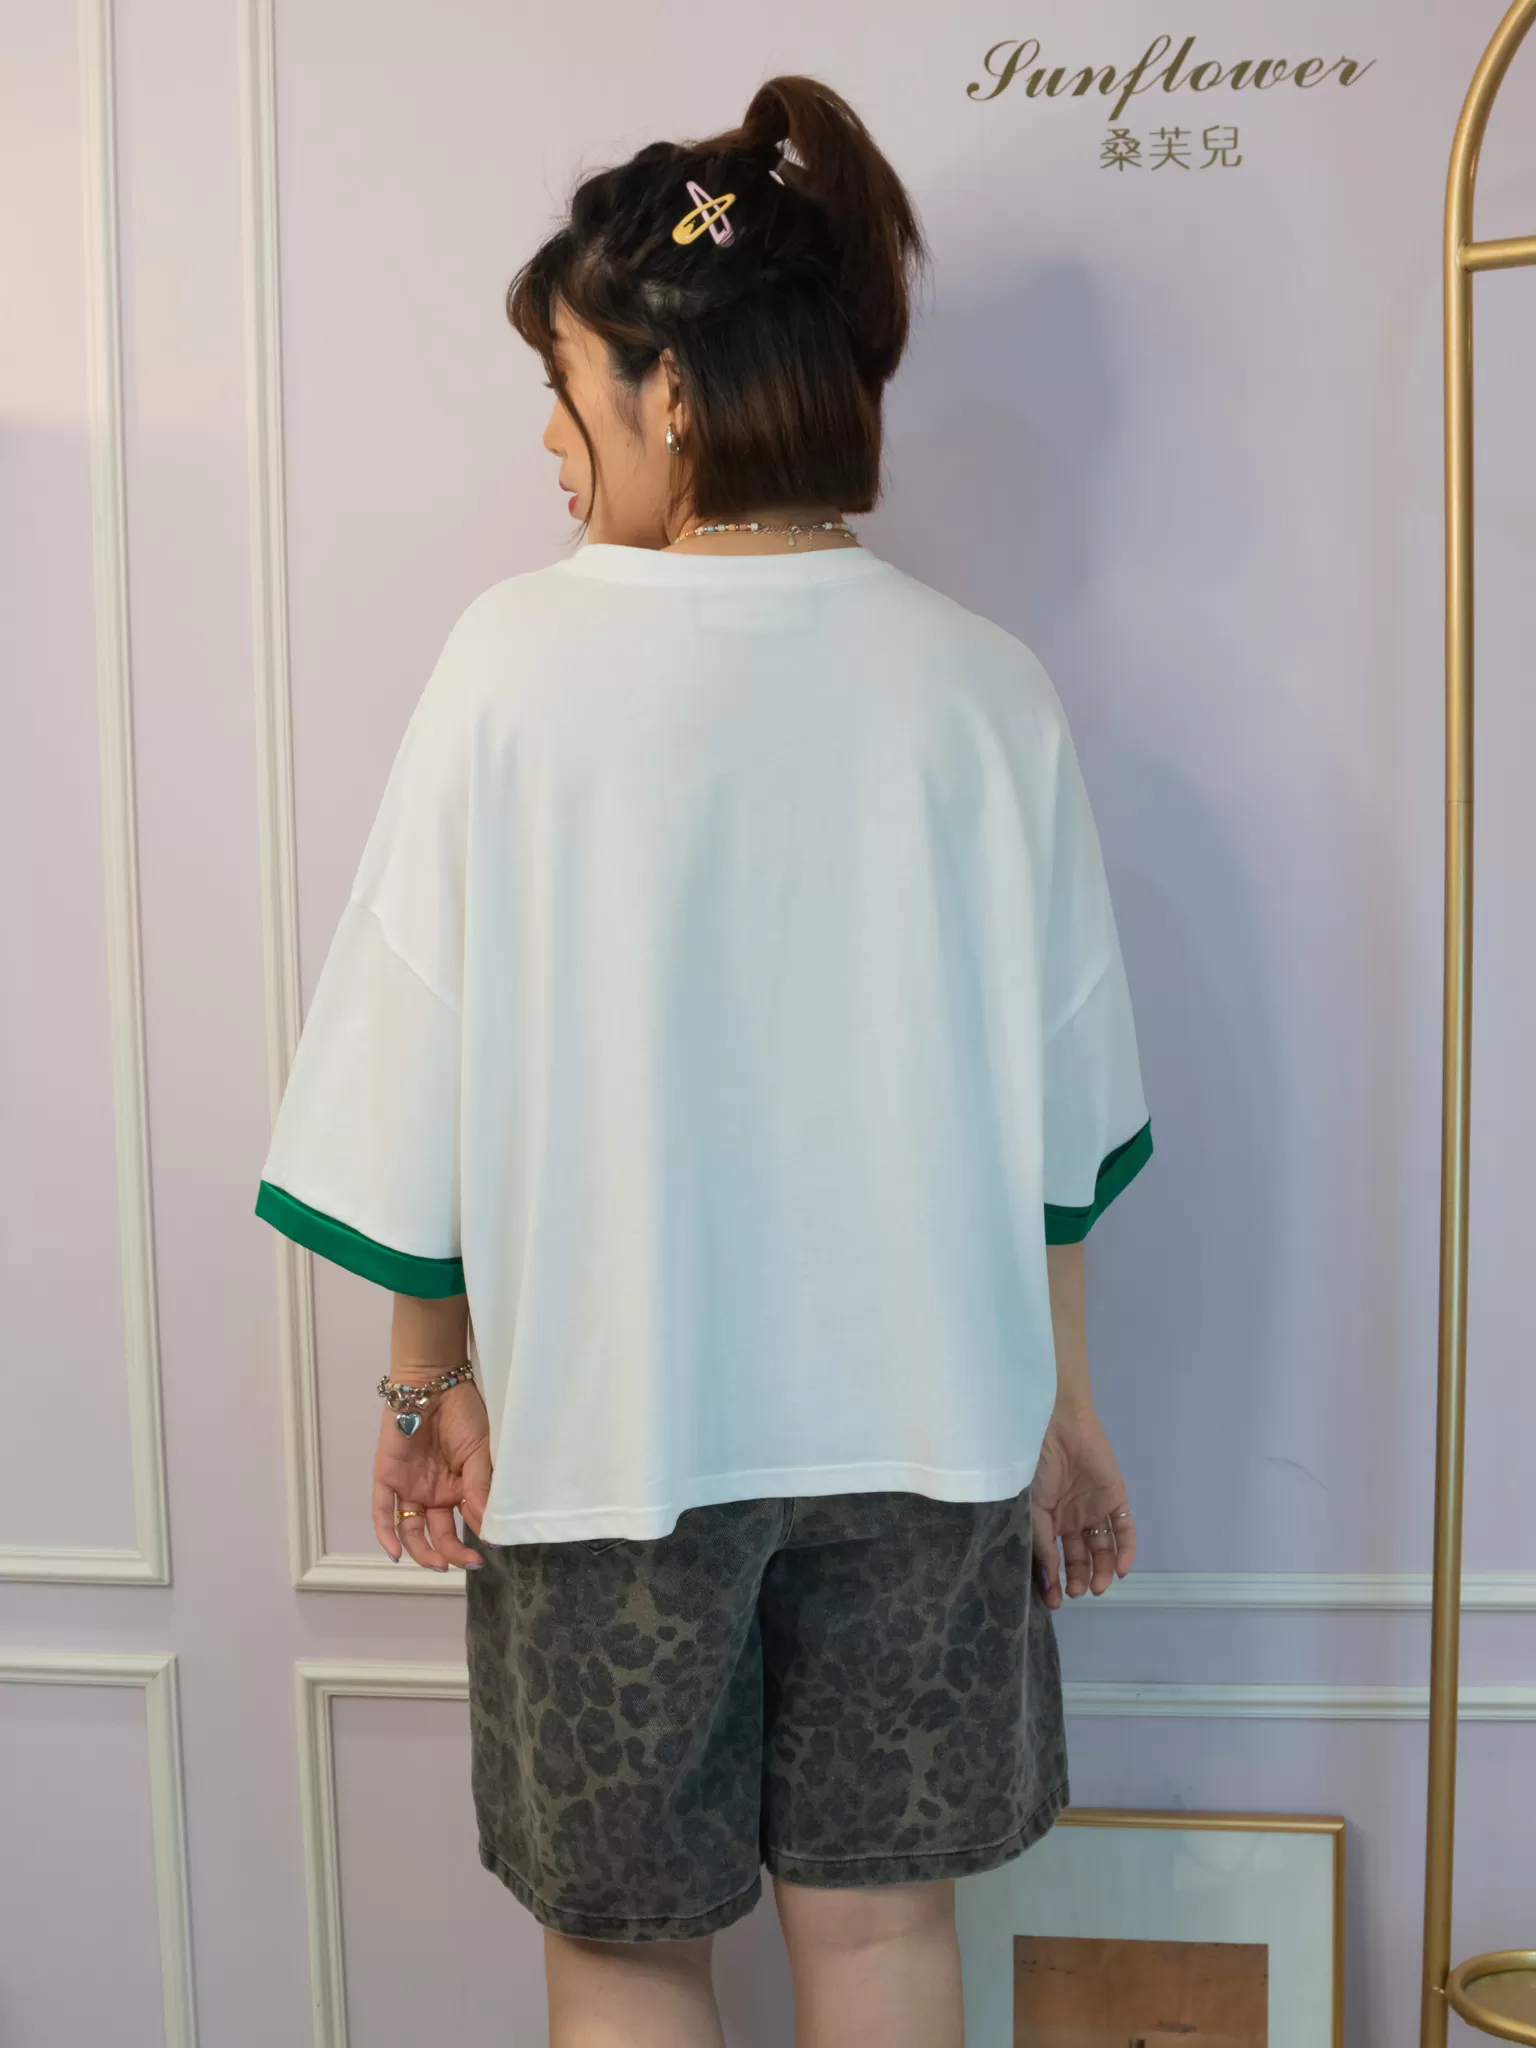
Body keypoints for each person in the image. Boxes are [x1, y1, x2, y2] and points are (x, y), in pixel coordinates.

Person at [254, 71, 1152, 2048]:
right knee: (886, 1939)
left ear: (670, 392)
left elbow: (416, 1074)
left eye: (564, 384)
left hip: (613, 1437)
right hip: (930, 1438)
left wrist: (424, 1385)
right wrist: (1067, 1407)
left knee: (628, 1957)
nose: (549, 441)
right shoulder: (985, 693)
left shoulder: (515, 667)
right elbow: (1057, 1131)